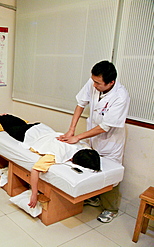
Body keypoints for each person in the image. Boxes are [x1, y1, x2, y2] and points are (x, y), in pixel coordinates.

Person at [57, 60, 130, 223]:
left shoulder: (121, 96)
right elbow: (80, 104)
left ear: (111, 82)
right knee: (90, 166)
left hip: (111, 142)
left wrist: (77, 137)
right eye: (93, 81)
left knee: (110, 172)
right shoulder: (94, 82)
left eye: (98, 83)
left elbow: (105, 127)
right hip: (93, 136)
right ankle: (94, 197)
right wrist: (71, 129)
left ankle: (111, 209)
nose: (94, 85)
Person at [0, 114, 101, 208]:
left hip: (42, 128)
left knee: (22, 124)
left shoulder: (81, 145)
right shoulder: (55, 155)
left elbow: (92, 154)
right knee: (10, 128)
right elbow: (35, 170)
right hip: (28, 134)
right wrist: (34, 194)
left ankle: (6, 115)